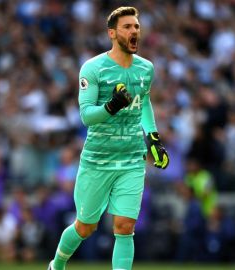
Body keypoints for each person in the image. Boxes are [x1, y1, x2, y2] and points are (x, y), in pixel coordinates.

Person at [48, 6, 169, 270]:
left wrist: (154, 139)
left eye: (136, 26)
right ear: (112, 33)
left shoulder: (146, 69)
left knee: (125, 226)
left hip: (132, 158)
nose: (134, 30)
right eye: (127, 27)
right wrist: (112, 106)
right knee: (85, 226)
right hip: (98, 159)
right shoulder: (93, 68)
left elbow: (144, 102)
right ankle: (57, 264)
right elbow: (86, 116)